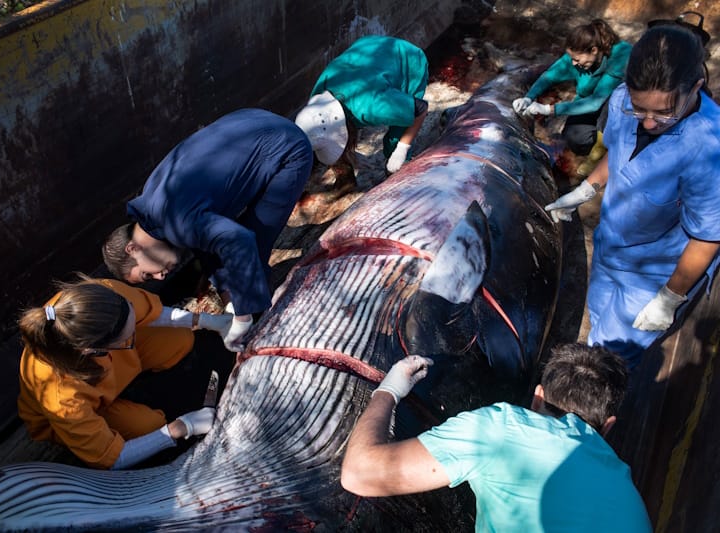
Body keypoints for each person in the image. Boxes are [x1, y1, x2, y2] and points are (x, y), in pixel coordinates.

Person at [544, 25, 720, 369]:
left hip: (656, 270)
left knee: (611, 357)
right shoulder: (624, 97)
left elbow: (707, 236)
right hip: (612, 245)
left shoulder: (709, 148)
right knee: (598, 322)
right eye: (641, 110)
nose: (650, 123)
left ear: (695, 88)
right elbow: (620, 153)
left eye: (664, 112)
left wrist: (669, 297)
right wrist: (586, 189)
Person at [340, 344, 652, 532]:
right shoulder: (626, 487)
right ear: (608, 427)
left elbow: (360, 473)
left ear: (537, 398)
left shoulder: (502, 430)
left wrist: (388, 391)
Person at [102, 109, 313, 351]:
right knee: (235, 255)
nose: (161, 277)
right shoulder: (153, 206)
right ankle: (253, 310)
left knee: (256, 241)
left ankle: (267, 325)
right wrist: (229, 302)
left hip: (288, 149)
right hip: (252, 119)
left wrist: (243, 317)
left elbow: (240, 240)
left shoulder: (176, 222)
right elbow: (207, 247)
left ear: (133, 248)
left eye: (146, 274)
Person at [17, 276, 232, 470]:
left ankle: (132, 380)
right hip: (93, 408)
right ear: (92, 350)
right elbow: (114, 458)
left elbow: (149, 312)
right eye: (126, 337)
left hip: (113, 364)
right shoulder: (62, 398)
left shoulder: (102, 296)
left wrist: (202, 321)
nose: (135, 323)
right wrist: (182, 427)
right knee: (149, 426)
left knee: (180, 340)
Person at [294, 35, 429, 175]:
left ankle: (398, 174)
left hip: (408, 59)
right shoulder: (318, 97)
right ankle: (346, 176)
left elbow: (421, 109)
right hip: (367, 47)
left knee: (397, 134)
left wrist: (402, 148)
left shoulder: (374, 106)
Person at [513, 19, 631, 177]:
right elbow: (549, 76)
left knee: (613, 103)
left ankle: (604, 152)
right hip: (589, 102)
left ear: (594, 50)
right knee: (574, 139)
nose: (573, 64)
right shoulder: (578, 56)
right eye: (571, 59)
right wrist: (528, 97)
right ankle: (598, 142)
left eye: (577, 59)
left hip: (620, 108)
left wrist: (550, 109)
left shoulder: (621, 56)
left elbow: (596, 102)